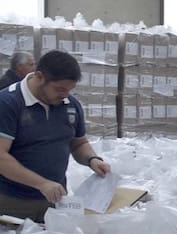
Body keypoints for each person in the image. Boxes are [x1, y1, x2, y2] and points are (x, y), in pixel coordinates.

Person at [0, 50, 111, 222]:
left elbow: (78, 143)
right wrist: (41, 183)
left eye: (69, 89)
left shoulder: (70, 105)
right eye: (59, 89)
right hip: (13, 202)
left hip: (55, 201)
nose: (65, 94)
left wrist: (92, 159)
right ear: (39, 76)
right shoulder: (8, 103)